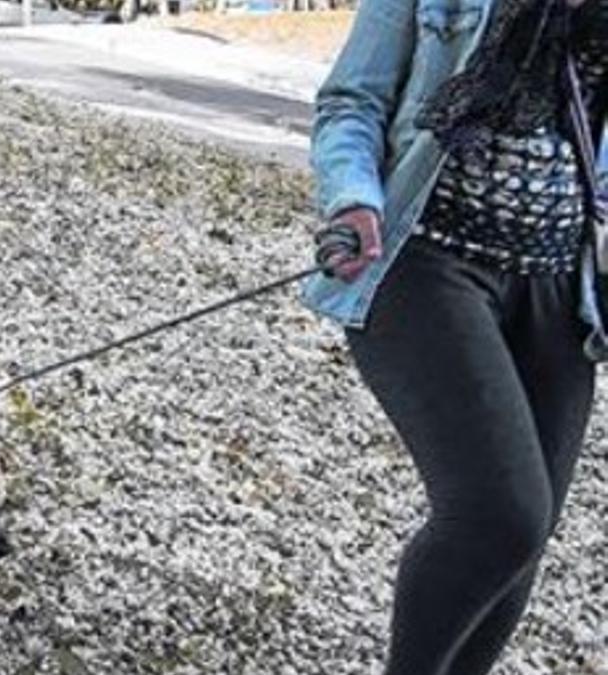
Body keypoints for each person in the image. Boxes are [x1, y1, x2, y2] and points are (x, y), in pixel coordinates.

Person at [304, 0, 606, 673]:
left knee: (521, 542)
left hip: (561, 294)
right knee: (504, 515)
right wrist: (352, 196)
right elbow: (351, 100)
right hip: (423, 262)